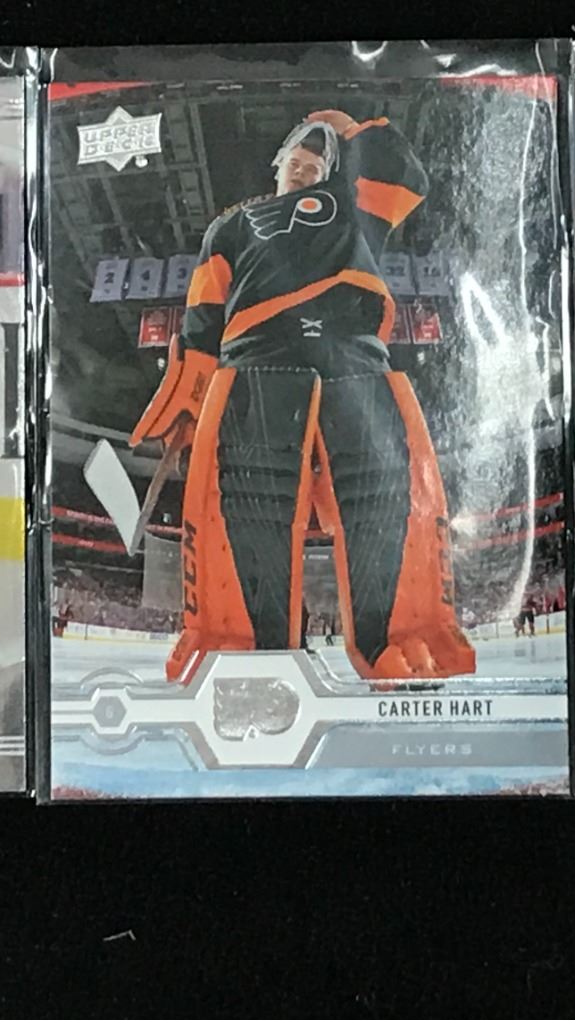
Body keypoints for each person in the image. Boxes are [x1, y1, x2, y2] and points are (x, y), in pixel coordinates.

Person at [131, 109, 474, 683]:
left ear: (328, 173)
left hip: (357, 362)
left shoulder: (358, 207)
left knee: (389, 499)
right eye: (295, 160)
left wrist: (354, 129)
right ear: (278, 165)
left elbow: (405, 174)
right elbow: (203, 313)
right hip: (253, 368)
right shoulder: (231, 226)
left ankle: (401, 634)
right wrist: (191, 394)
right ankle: (244, 641)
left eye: (315, 165)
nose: (303, 169)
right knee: (242, 508)